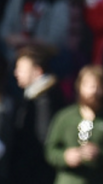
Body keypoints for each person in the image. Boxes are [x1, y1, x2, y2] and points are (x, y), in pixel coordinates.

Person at [45, 65, 103, 184]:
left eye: (98, 86)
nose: (93, 91)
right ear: (79, 87)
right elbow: (50, 149)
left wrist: (100, 154)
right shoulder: (65, 117)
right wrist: (65, 157)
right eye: (89, 86)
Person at [9, 45, 65, 184]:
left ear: (37, 71)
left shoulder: (44, 102)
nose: (16, 73)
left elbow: (41, 141)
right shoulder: (33, 98)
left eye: (21, 69)